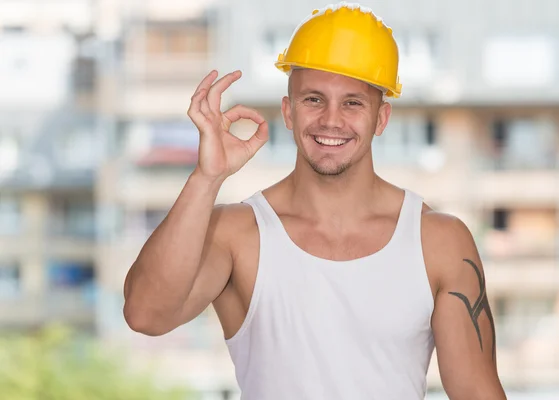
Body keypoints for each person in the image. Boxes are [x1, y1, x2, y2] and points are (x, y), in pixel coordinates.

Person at [123, 3, 507, 399]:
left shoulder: (439, 242)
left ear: (382, 118)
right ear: (288, 111)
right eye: (313, 99)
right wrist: (207, 178)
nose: (331, 120)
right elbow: (145, 315)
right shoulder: (239, 235)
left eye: (353, 102)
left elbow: (477, 392)